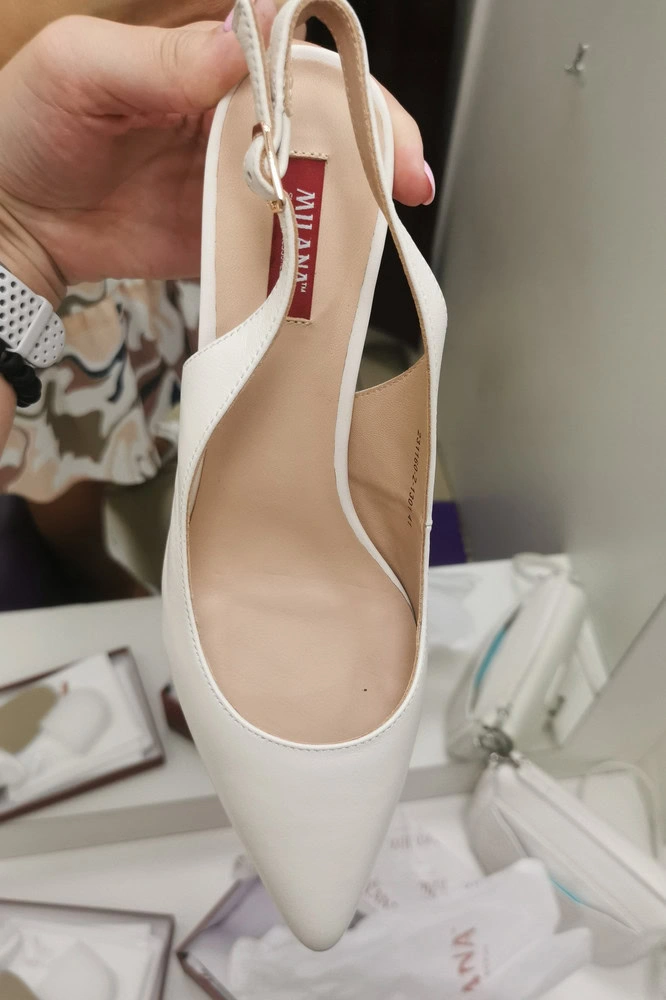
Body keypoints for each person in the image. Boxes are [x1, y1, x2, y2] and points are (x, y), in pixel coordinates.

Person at [0, 7, 435, 537]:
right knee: (64, 463)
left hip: (191, 168)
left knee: (161, 388)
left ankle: (100, 520)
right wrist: (16, 233)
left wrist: (18, 237)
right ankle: (76, 549)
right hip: (112, 166)